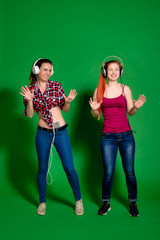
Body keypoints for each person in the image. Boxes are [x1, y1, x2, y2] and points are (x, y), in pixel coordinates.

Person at [20, 58, 84, 216]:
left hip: (60, 132)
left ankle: (79, 201)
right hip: (43, 133)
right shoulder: (30, 90)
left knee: (69, 168)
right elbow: (29, 115)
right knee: (42, 169)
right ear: (36, 70)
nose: (48, 73)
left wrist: (67, 102)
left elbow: (66, 109)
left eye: (50, 70)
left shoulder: (56, 86)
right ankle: (42, 202)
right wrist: (29, 101)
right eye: (45, 69)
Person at [89, 56, 146, 217]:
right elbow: (95, 114)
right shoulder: (99, 90)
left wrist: (136, 107)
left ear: (120, 71)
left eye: (116, 69)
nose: (113, 72)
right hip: (108, 137)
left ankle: (133, 203)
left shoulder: (125, 89)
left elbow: (131, 112)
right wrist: (94, 109)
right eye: (110, 69)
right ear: (105, 71)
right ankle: (106, 203)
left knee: (129, 171)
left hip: (126, 136)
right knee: (108, 172)